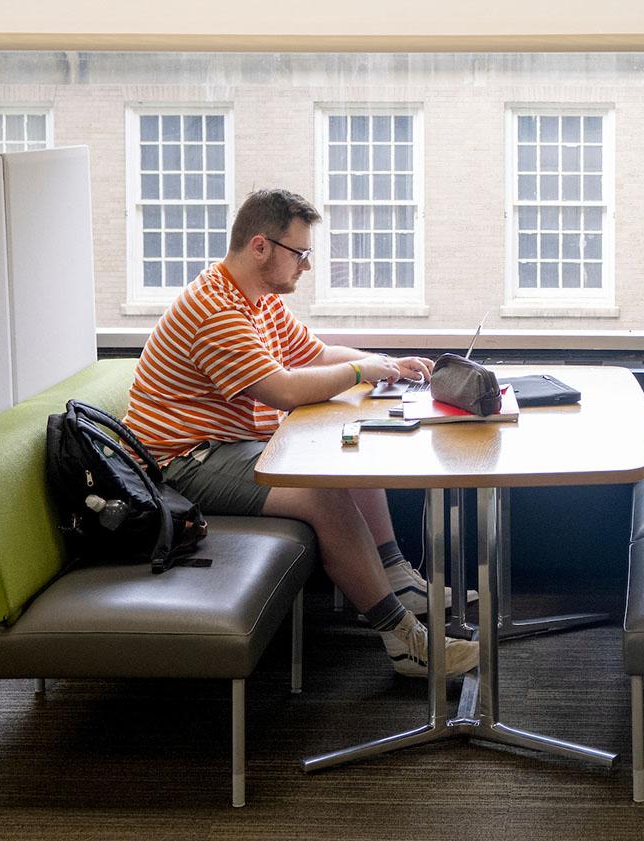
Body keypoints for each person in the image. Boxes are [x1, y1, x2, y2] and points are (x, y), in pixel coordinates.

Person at [123, 188, 479, 679]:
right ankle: (403, 641)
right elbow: (284, 390)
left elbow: (311, 353)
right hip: (181, 462)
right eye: (300, 253)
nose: (306, 266)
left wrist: (386, 365)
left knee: (353, 444)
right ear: (260, 246)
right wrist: (362, 372)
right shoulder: (214, 310)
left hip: (225, 447)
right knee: (321, 494)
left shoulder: (256, 299)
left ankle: (397, 579)